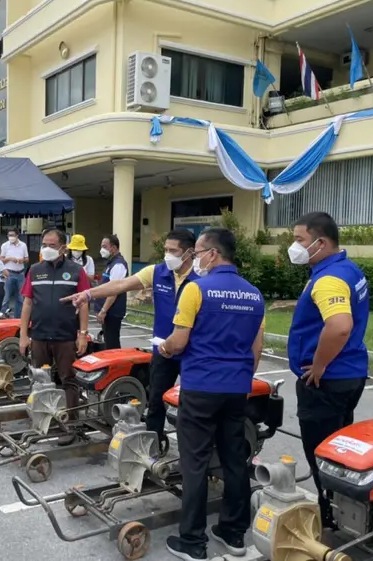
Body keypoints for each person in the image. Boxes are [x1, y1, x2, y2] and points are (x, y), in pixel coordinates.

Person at [157, 228, 265, 561]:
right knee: (235, 461)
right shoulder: (254, 294)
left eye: (198, 252)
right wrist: (242, 377)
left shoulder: (195, 290)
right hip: (236, 389)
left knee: (195, 463)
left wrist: (164, 348)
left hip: (201, 386)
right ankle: (233, 534)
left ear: (213, 254)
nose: (194, 259)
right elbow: (256, 347)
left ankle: (192, 541)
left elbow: (178, 341)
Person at [62, 229, 197, 448]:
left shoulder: (203, 278)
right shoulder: (157, 272)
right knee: (155, 400)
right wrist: (88, 294)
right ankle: (153, 446)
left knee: (190, 404)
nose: (167, 255)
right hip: (162, 350)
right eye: (165, 250)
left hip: (193, 352)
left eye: (173, 251)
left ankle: (190, 453)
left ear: (189, 252)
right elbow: (120, 285)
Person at [287, 211, 369, 530]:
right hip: (350, 374)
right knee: (339, 450)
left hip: (327, 381)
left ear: (320, 242)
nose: (294, 247)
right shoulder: (346, 269)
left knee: (322, 456)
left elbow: (338, 327)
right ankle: (347, 512)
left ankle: (331, 518)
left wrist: (319, 365)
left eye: (299, 240)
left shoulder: (329, 278)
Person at [19, 227, 90, 445]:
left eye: (51, 245)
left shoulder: (77, 271)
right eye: (44, 245)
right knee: (40, 380)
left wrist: (83, 334)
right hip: (39, 335)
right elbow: (28, 303)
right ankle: (42, 422)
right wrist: (23, 335)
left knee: (69, 380)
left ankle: (71, 426)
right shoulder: (35, 270)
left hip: (66, 336)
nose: (47, 249)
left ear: (63, 247)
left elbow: (85, 303)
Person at [94, 235, 128, 349]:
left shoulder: (118, 265)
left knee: (112, 343)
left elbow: (114, 291)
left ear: (113, 248)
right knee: (108, 341)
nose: (101, 249)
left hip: (112, 311)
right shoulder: (111, 263)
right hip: (108, 311)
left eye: (104, 246)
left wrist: (103, 311)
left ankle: (116, 366)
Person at [0, 228, 28, 318]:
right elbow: (1, 260)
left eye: (12, 235)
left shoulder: (23, 245)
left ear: (17, 236)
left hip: (20, 273)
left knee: (20, 298)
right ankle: (3, 316)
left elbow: (27, 259)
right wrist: (9, 259)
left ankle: (17, 317)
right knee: (6, 297)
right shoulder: (5, 246)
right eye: (9, 235)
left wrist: (22, 260)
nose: (10, 237)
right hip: (9, 273)